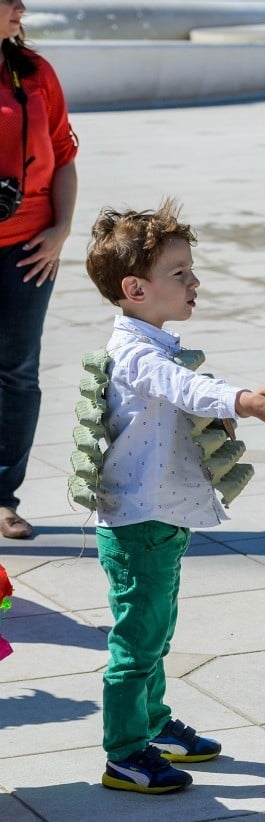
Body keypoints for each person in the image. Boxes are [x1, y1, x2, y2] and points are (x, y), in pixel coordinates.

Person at [85, 199, 265, 794]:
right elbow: (180, 386)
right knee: (137, 641)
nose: (193, 282)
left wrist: (236, 397)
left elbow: (185, 392)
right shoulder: (136, 352)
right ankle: (125, 751)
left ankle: (151, 724)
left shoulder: (152, 342)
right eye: (179, 273)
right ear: (135, 288)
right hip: (139, 522)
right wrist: (243, 402)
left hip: (161, 517)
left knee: (157, 629)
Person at [0, 0, 78, 538]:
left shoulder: (35, 72)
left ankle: (2, 497)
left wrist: (62, 230)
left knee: (17, 374)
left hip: (30, 249)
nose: (21, 7)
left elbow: (64, 156)